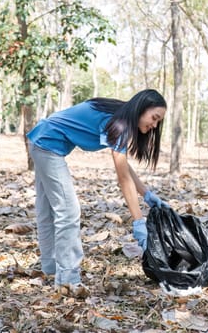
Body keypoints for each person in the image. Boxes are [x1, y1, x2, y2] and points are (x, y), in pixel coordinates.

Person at [27, 89, 168, 297]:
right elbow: (123, 178)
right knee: (68, 212)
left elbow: (124, 167)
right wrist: (139, 221)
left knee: (48, 210)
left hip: (41, 139)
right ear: (141, 108)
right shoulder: (120, 124)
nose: (154, 125)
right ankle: (68, 279)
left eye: (158, 122)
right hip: (47, 145)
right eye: (154, 118)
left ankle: (50, 269)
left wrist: (146, 194)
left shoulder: (118, 116)